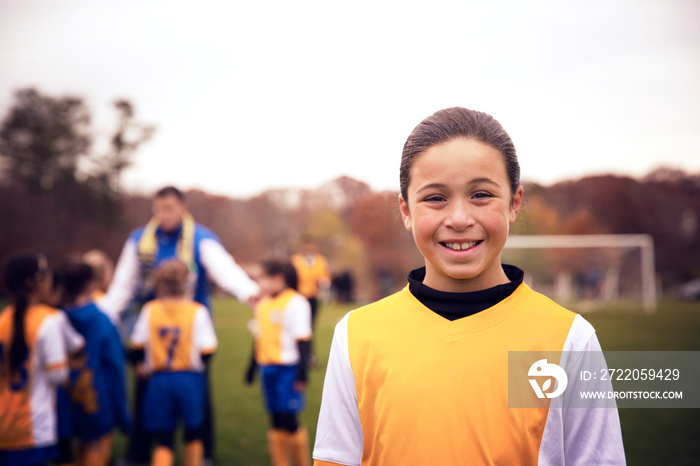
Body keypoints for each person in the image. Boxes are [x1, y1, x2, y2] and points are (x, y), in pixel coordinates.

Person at [312, 107, 626, 465]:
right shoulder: (356, 336)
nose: (460, 219)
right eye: (435, 198)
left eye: (481, 195)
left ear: (514, 203)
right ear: (406, 211)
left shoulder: (568, 340)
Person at [101, 186, 260, 464]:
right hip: (153, 331)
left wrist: (250, 293)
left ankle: (203, 453)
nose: (165, 214)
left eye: (170, 208)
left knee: (199, 399)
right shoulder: (139, 240)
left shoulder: (201, 238)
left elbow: (226, 270)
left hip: (193, 333)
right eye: (160, 208)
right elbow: (122, 287)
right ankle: (139, 453)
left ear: (183, 207)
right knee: (144, 398)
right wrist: (99, 317)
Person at [129, 259, 218, 466]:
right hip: (189, 378)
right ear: (188, 282)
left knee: (163, 437)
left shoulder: (150, 309)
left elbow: (136, 346)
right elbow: (207, 350)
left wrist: (140, 364)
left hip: (158, 380)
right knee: (193, 432)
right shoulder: (197, 311)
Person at [57, 259, 130, 466]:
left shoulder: (53, 317)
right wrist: (122, 413)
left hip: (61, 397)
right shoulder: (102, 320)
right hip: (95, 397)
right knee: (95, 447)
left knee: (66, 450)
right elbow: (116, 367)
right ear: (91, 283)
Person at [0, 252, 70, 466]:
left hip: (4, 424)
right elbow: (58, 375)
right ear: (40, 283)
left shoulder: (3, 320)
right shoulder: (48, 320)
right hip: (32, 426)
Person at [250, 260, 312, 466]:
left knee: (288, 419)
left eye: (262, 278)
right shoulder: (263, 303)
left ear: (277, 279)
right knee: (275, 419)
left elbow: (303, 341)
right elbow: (259, 337)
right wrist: (251, 368)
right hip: (267, 369)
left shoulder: (296, 302)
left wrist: (303, 374)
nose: (259, 282)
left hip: (289, 370)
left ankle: (301, 461)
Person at [290, 237, 330, 364]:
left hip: (313, 297)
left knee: (310, 327)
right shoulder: (295, 260)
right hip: (299, 297)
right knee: (298, 326)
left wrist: (324, 281)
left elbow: (325, 275)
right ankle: (296, 354)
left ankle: (308, 355)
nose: (309, 248)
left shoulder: (320, 260)